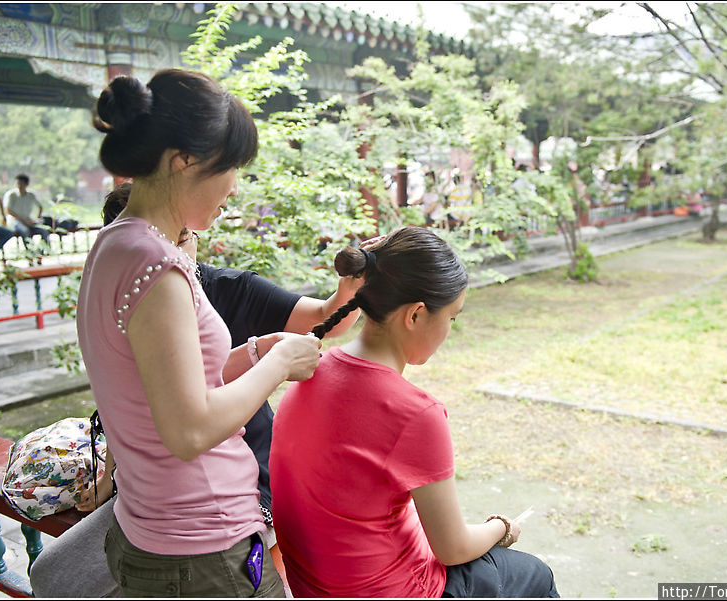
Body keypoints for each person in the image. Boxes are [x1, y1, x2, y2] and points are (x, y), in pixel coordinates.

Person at [30, 188, 364, 598]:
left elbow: (320, 316)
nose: (167, 247)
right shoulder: (138, 276)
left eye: (178, 237)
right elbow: (161, 411)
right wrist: (109, 479)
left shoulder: (215, 285)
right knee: (51, 575)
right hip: (167, 506)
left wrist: (274, 346)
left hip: (230, 495)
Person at [76, 68, 321, 597]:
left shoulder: (117, 244)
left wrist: (255, 353)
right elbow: (188, 431)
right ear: (183, 159)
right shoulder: (156, 267)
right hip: (202, 548)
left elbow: (160, 384)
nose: (234, 187)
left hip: (157, 527)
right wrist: (279, 367)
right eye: (231, 168)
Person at [270, 225, 559, 598]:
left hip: (317, 587)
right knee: (534, 574)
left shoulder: (311, 371)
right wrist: (502, 528)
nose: (449, 330)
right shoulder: (414, 412)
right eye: (451, 318)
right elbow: (452, 547)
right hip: (394, 590)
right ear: (416, 315)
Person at [4, 174, 50, 252]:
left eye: (21, 184)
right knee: (25, 231)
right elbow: (8, 210)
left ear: (26, 184)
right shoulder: (12, 195)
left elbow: (40, 206)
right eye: (18, 183)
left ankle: (41, 251)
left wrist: (37, 219)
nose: (19, 186)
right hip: (15, 221)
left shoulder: (30, 195)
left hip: (28, 219)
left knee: (44, 231)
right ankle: (30, 252)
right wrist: (24, 221)